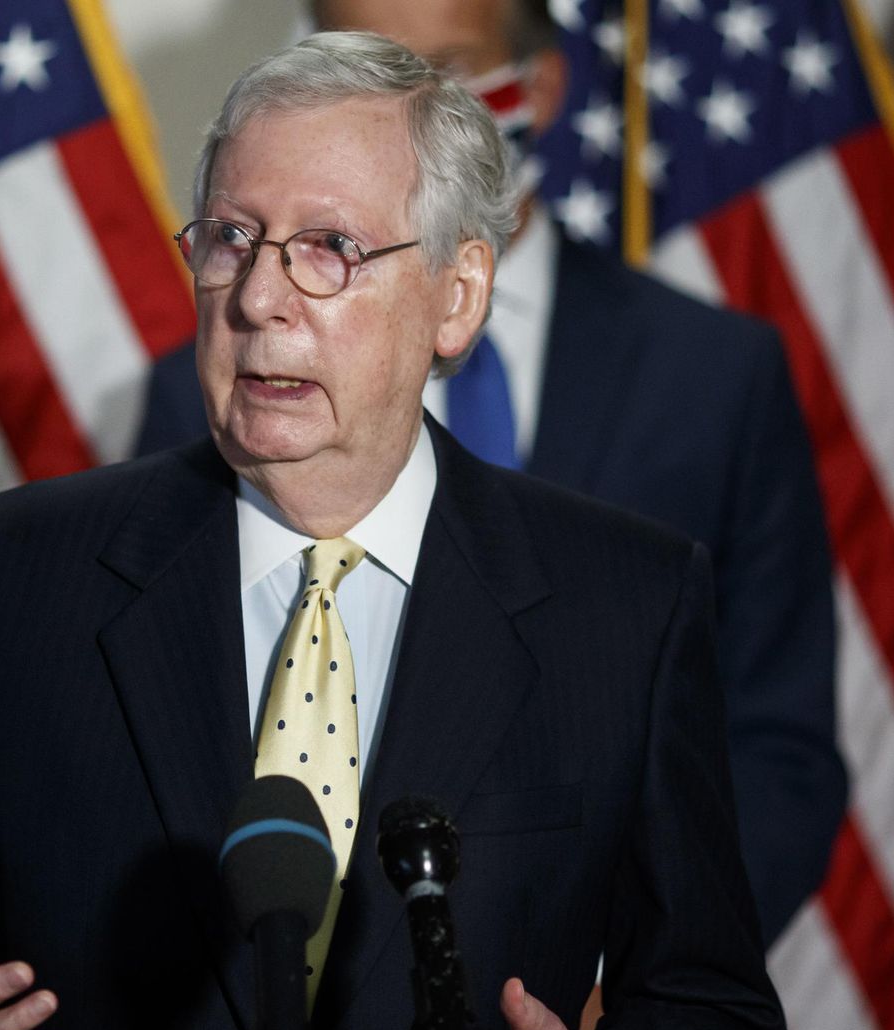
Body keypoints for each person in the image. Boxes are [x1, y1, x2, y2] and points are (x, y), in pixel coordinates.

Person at [0, 32, 790, 1030]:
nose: (258, 299)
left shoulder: (625, 606)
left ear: (456, 296)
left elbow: (716, 1017)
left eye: (328, 248)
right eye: (230, 239)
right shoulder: (15, 576)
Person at [135, 0, 845, 947]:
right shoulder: (220, 379)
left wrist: (624, 990)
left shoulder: (714, 377)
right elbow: (155, 716)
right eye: (370, 65)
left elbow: (774, 747)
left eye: (448, 73)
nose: (410, 107)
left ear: (542, 86)